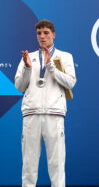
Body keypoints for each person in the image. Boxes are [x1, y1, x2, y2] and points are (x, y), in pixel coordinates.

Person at [14, 20, 76, 187]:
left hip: (54, 115)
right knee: (29, 165)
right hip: (31, 115)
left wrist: (50, 66)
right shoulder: (29, 57)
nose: (42, 36)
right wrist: (27, 68)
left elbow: (70, 82)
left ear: (53, 34)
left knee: (56, 165)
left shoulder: (64, 56)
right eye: (39, 33)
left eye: (46, 33)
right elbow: (19, 86)